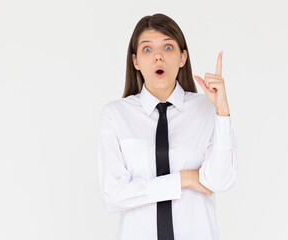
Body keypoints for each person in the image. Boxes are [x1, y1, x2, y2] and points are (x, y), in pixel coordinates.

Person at [97, 13, 238, 240]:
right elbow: (113, 195)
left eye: (168, 48)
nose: (158, 57)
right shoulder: (115, 116)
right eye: (147, 49)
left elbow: (220, 181)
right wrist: (183, 179)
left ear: (183, 57)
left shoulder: (207, 109)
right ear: (135, 61)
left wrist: (222, 112)